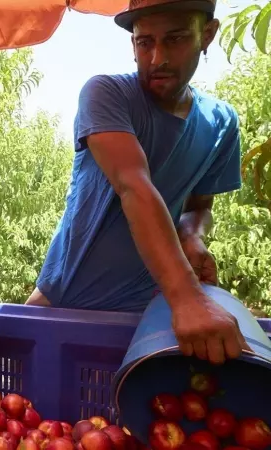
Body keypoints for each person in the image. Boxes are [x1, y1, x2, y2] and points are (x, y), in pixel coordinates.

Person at [28, 0, 249, 365]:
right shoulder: (106, 95)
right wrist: (189, 298)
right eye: (144, 42)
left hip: (148, 320)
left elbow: (198, 205)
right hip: (62, 306)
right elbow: (134, 185)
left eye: (175, 39)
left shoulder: (222, 124)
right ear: (132, 45)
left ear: (207, 35)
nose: (157, 57)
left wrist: (192, 236)